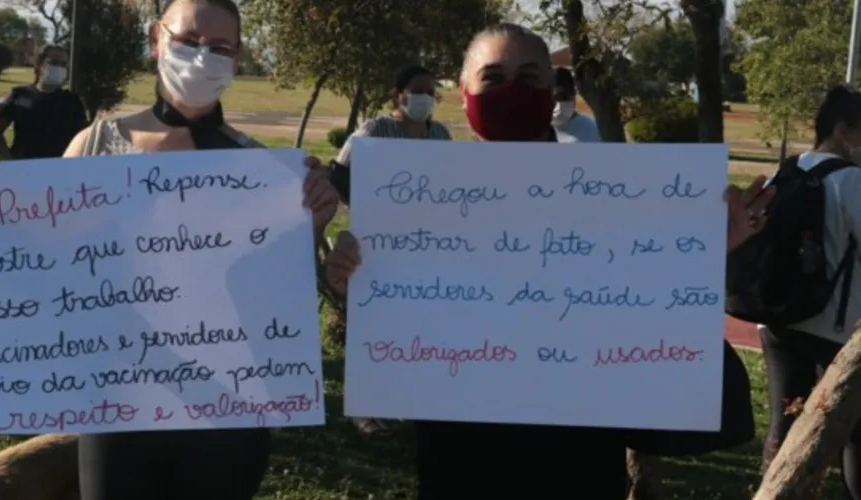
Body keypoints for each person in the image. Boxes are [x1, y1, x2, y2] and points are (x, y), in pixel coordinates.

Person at [323, 23, 769, 499]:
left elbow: (670, 357)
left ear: (551, 90)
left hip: (578, 470)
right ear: (465, 92)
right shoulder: (416, 210)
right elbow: (398, 357)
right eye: (493, 77)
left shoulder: (612, 206)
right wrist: (357, 285)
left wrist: (696, 261)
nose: (513, 89)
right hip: (459, 468)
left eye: (531, 76)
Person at [0, 1, 339, 498]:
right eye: (188, 42)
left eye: (220, 48)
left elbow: (282, 293)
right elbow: (36, 262)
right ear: (156, 40)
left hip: (229, 409)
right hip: (116, 404)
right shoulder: (95, 147)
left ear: (238, 56)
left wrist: (312, 219)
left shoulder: (262, 170)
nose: (203, 58)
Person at [757, 84, 861, 499]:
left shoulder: (788, 170)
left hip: (778, 319)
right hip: (834, 324)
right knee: (852, 430)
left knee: (785, 424)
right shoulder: (850, 180)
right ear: (842, 130)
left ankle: (773, 490)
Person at [329, 65, 452, 205]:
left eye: (430, 93)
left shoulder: (440, 133)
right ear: (397, 95)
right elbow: (339, 174)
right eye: (417, 91)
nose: (425, 97)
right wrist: (364, 207)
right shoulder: (374, 130)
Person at [0, 44, 88, 160]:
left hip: (60, 167)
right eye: (53, 62)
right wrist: (8, 159)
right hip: (25, 167)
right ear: (39, 64)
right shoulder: (19, 95)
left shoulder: (72, 101)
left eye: (63, 64)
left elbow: (83, 137)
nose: (59, 68)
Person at [551, 66, 600, 143]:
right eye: (553, 98)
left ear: (573, 96)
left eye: (563, 97)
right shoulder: (532, 129)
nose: (558, 104)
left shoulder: (592, 129)